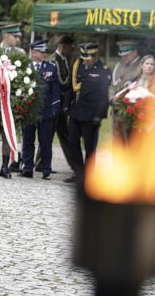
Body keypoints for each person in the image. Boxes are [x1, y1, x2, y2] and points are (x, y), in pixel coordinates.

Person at [66, 42, 111, 184]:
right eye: (84, 56)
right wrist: (66, 106)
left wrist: (100, 114)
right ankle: (78, 171)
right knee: (72, 143)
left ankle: (89, 175)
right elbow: (70, 87)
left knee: (89, 146)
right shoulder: (77, 65)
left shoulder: (103, 69)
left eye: (89, 56)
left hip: (91, 114)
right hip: (76, 111)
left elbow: (104, 95)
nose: (86, 59)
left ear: (96, 56)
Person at [0, 23, 26, 179]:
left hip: (10, 100)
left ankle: (5, 166)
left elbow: (22, 76)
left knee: (8, 131)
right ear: (5, 36)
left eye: (18, 36)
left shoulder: (20, 53)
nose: (18, 39)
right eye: (15, 36)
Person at [21, 40, 59, 180]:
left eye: (44, 52)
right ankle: (27, 168)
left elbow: (55, 91)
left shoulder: (51, 68)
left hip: (45, 111)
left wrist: (55, 108)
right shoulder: (24, 68)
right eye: (41, 52)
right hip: (29, 112)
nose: (44, 54)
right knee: (28, 141)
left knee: (45, 142)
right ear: (33, 52)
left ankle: (46, 169)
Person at [45, 35, 75, 173]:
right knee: (49, 134)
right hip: (55, 103)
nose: (71, 50)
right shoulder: (54, 60)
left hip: (62, 105)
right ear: (63, 47)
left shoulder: (63, 60)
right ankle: (41, 163)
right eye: (69, 47)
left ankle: (74, 163)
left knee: (63, 134)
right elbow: (60, 83)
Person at [110, 40, 142, 143]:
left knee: (132, 143)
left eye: (126, 55)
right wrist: (111, 98)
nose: (123, 58)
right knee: (118, 143)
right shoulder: (119, 65)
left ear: (135, 52)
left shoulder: (142, 66)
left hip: (133, 112)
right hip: (117, 111)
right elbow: (113, 86)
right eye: (122, 55)